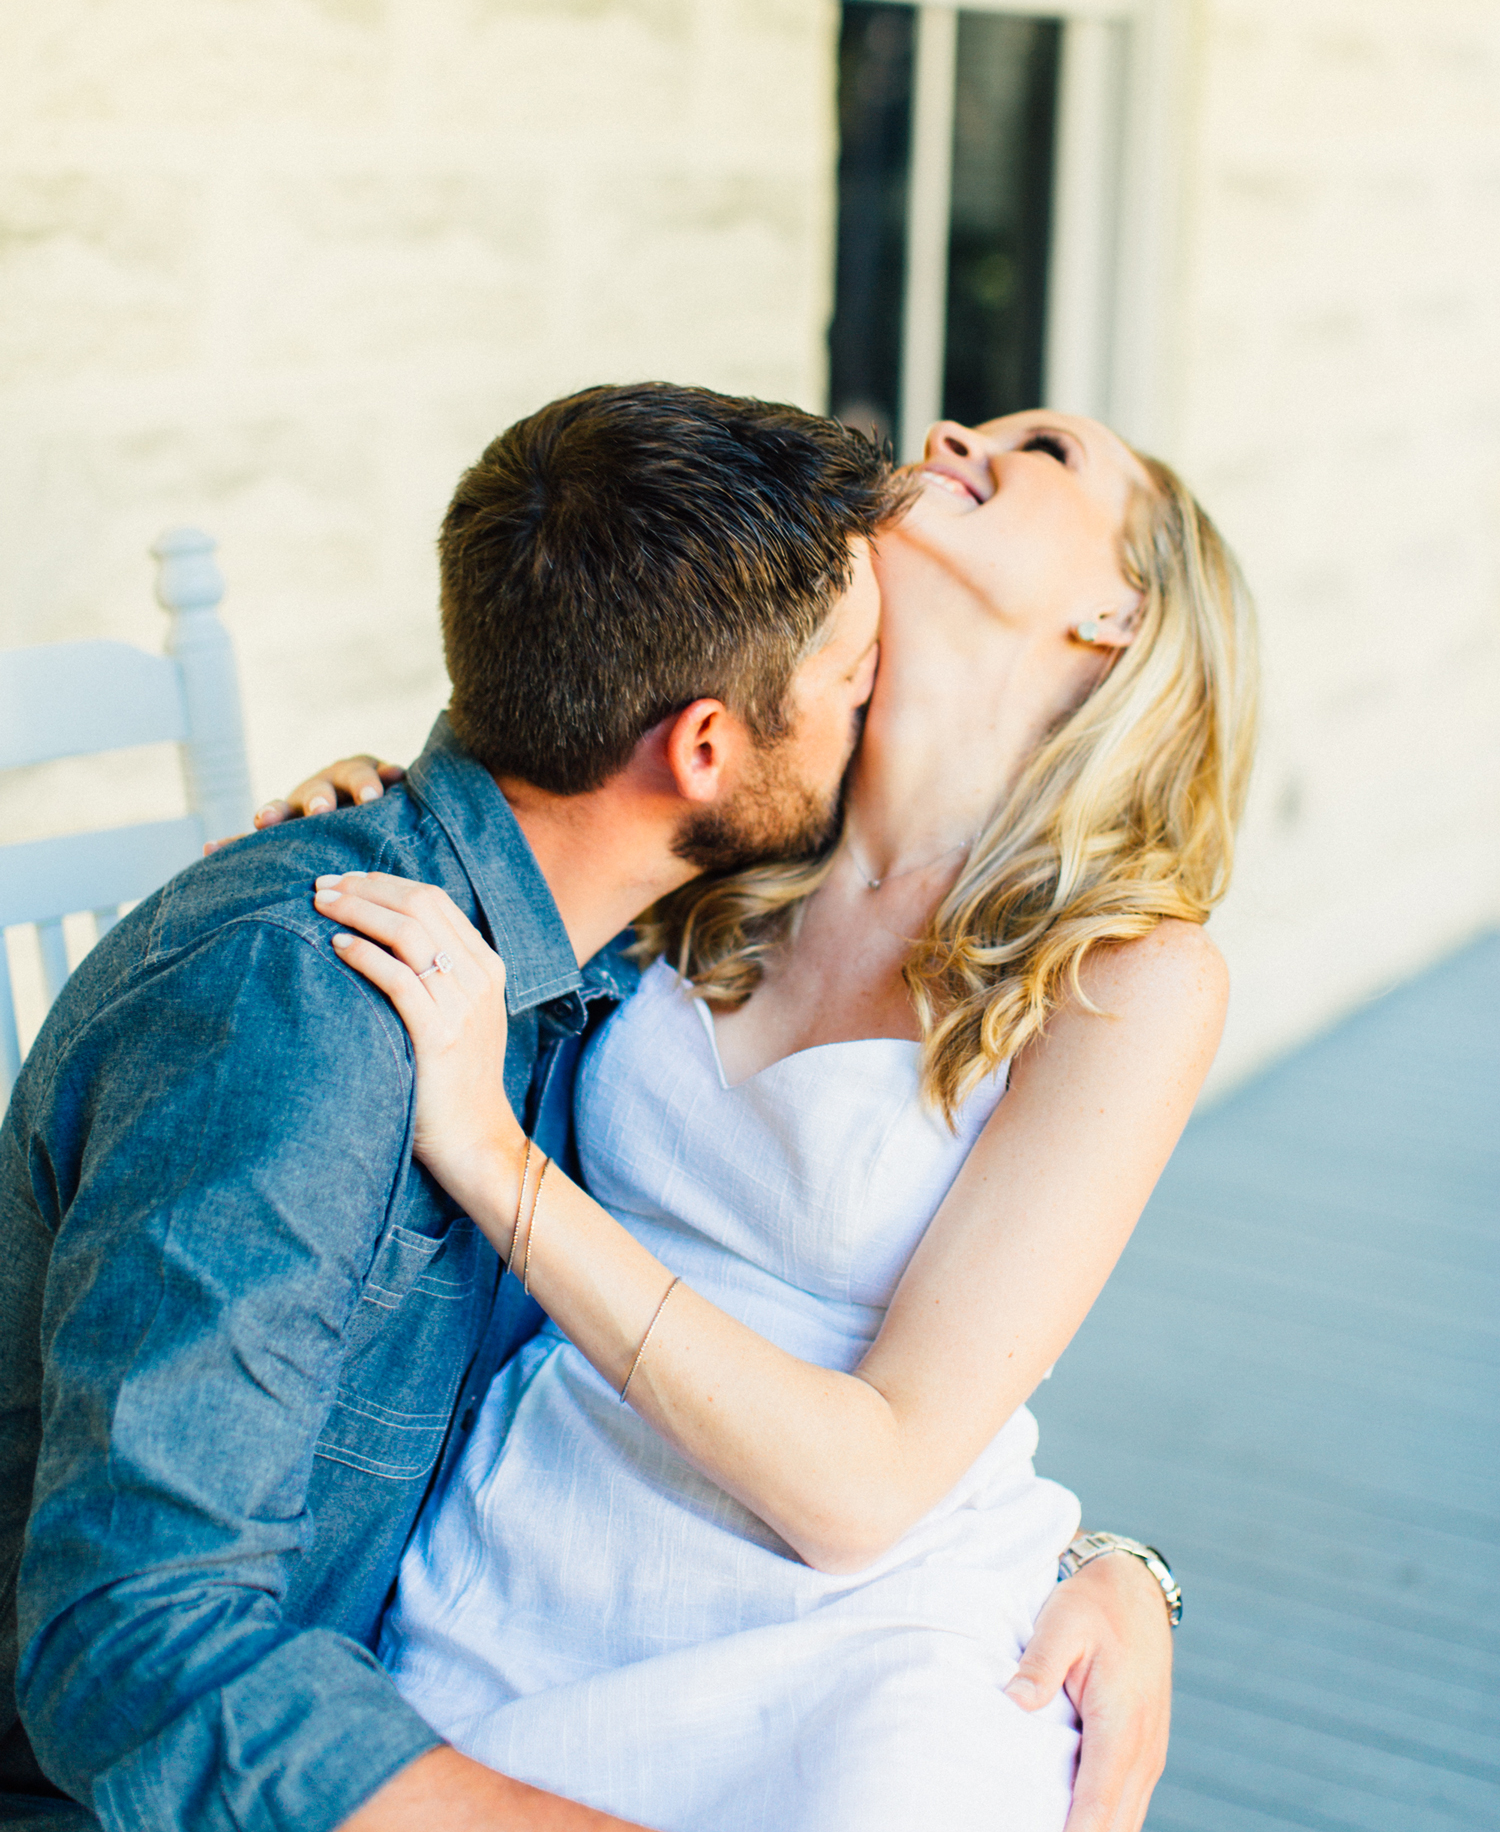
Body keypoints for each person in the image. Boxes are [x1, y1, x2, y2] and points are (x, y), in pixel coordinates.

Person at [0, 386, 1175, 1832]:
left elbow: (818, 1318)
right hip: (333, 1701)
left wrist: (1110, 1566)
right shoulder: (321, 1003)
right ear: (701, 747)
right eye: (857, 675)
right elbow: (141, 1647)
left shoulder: (605, 940)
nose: (955, 444)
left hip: (659, 1606)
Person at [294, 403, 1257, 1832]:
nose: (951, 429)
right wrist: (367, 828)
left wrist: (495, 1161)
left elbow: (870, 1487)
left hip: (861, 1632)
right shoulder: (735, 816)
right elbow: (529, 840)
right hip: (541, 1543)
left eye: (1045, 450)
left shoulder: (1129, 973)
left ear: (1120, 613)